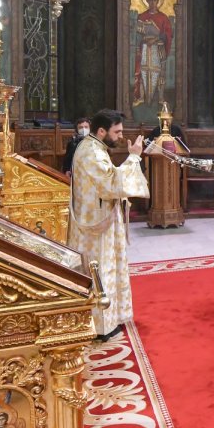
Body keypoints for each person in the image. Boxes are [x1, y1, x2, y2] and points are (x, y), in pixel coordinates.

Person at [69, 110, 149, 340]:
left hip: (99, 217)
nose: (121, 136)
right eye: (117, 131)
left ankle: (113, 317)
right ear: (102, 131)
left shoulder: (94, 147)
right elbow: (112, 184)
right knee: (100, 268)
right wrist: (134, 157)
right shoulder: (92, 152)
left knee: (109, 265)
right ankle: (101, 325)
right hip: (95, 225)